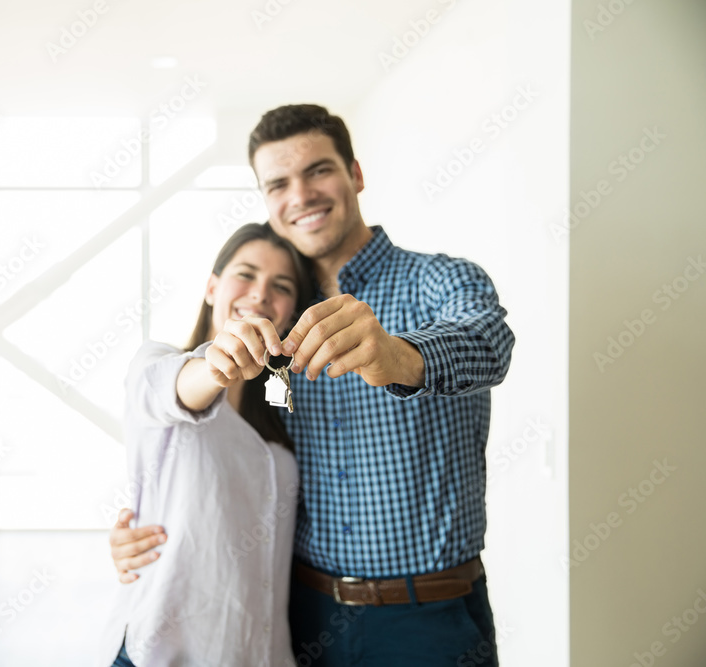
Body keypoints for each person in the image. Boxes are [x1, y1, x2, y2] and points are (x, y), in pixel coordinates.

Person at [109, 104, 515, 666]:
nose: (300, 195)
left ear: (355, 174)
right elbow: (209, 449)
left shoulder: (440, 278)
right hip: (299, 617)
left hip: (426, 621)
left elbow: (490, 344)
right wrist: (139, 530)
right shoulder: (274, 321)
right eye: (278, 183)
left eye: (319, 171)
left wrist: (398, 354)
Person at [99, 223, 315, 666]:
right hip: (164, 652)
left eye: (280, 285)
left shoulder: (284, 415)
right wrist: (215, 368)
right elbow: (168, 390)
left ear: (291, 313)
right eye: (246, 274)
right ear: (212, 287)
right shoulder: (160, 364)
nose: (259, 294)